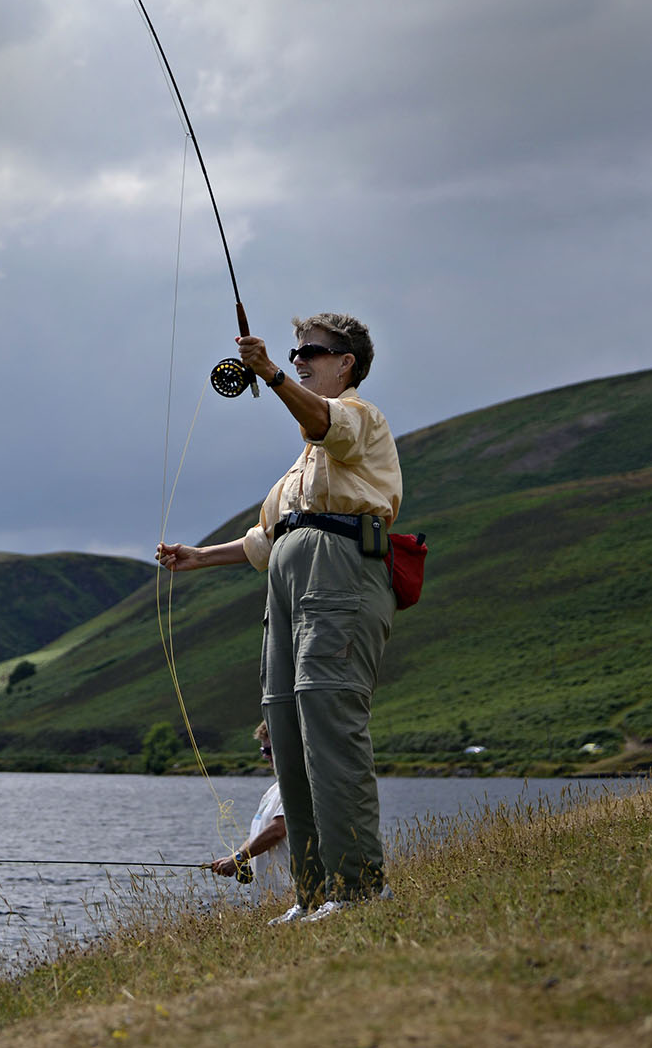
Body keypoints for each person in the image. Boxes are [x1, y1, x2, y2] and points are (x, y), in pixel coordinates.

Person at [158, 312, 401, 923]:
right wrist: (198, 558)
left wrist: (266, 372)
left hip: (339, 574)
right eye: (293, 356)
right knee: (287, 733)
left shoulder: (358, 418)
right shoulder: (300, 467)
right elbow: (269, 537)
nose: (299, 361)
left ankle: (361, 889)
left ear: (346, 363)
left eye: (310, 353)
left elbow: (323, 423)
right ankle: (314, 894)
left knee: (329, 723)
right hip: (290, 584)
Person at [210, 722, 290, 901]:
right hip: (268, 897)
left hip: (288, 894)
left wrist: (238, 858)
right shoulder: (273, 790)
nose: (264, 756)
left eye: (268, 751)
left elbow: (278, 830)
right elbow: (262, 832)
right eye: (263, 751)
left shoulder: (296, 785)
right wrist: (237, 857)